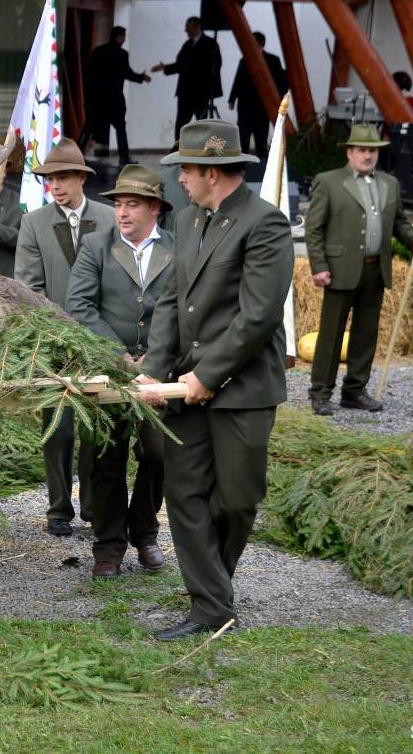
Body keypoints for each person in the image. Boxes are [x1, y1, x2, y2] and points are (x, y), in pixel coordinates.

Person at [136, 119, 294, 641]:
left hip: (242, 391)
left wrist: (208, 375)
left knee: (238, 499)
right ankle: (211, 606)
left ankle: (213, 587)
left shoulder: (264, 224)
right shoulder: (188, 220)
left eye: (185, 171)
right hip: (186, 389)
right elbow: (169, 301)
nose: (179, 180)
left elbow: (259, 315)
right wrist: (153, 371)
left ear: (211, 171)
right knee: (184, 495)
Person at [65, 165, 173, 576]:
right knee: (105, 456)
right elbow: (79, 305)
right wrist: (120, 359)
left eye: (133, 204)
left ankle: (145, 533)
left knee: (158, 455)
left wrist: (157, 361)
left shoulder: (178, 250)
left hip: (159, 369)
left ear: (155, 209)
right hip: (107, 369)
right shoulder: (96, 246)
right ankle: (108, 548)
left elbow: (178, 310)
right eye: (118, 205)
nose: (122, 212)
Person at [15, 138, 114, 536]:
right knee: (57, 426)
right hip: (53, 340)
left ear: (81, 179)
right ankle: (58, 508)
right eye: (49, 178)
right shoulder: (34, 222)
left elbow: (119, 281)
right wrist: (53, 332)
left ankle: (92, 504)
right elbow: (27, 287)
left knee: (96, 422)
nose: (55, 185)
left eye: (63, 177)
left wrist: (104, 335)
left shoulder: (109, 219)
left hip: (101, 339)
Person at [304, 123, 413, 416]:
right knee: (331, 335)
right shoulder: (329, 181)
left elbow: (398, 222)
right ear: (350, 152)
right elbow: (313, 228)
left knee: (366, 334)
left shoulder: (390, 183)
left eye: (372, 150)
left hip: (375, 269)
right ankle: (321, 392)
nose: (368, 155)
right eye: (362, 150)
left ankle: (355, 391)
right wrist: (318, 266)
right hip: (338, 270)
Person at [77, 26, 151, 166]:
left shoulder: (97, 51)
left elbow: (90, 74)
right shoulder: (122, 54)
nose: (124, 39)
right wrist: (142, 77)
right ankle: (124, 157)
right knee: (120, 128)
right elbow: (127, 73)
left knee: (88, 127)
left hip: (97, 98)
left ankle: (77, 155)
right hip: (114, 99)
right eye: (124, 36)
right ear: (119, 36)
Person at [151, 17, 223, 143]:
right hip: (185, 91)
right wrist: (165, 68)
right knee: (181, 122)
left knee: (202, 123)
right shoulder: (187, 44)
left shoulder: (210, 44)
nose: (186, 31)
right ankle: (178, 149)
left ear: (197, 27)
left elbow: (215, 65)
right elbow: (180, 64)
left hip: (202, 91)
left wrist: (192, 66)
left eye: (188, 28)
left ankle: (203, 150)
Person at [227, 31, 288, 160]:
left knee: (261, 139)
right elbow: (238, 80)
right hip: (245, 106)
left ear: (260, 44)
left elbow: (281, 81)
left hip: (263, 106)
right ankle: (241, 165)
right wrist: (232, 99)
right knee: (243, 138)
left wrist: (279, 100)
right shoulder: (245, 60)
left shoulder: (273, 60)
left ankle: (263, 167)